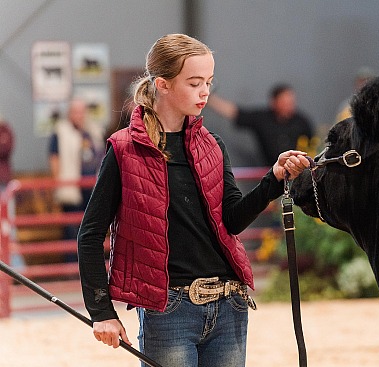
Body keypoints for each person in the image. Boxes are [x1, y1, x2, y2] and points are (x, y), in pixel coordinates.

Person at [77, 33, 310, 367]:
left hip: (229, 305)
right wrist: (101, 312)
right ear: (164, 84)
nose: (205, 92)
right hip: (168, 311)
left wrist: (273, 179)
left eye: (209, 83)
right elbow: (90, 234)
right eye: (195, 83)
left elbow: (231, 220)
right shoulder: (123, 149)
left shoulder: (212, 145)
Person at [206, 83, 313, 166]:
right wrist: (208, 97)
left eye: (291, 103)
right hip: (272, 173)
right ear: (274, 102)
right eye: (284, 103)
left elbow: (313, 145)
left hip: (297, 173)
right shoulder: (263, 119)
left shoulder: (301, 122)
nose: (288, 107)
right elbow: (235, 112)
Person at [49, 98, 101, 260]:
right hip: (71, 188)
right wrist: (59, 184)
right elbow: (55, 159)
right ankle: (71, 265)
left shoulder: (93, 131)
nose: (79, 115)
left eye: (81, 112)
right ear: (69, 113)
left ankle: (89, 263)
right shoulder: (61, 132)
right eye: (75, 112)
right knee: (71, 230)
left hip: (91, 188)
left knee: (90, 228)